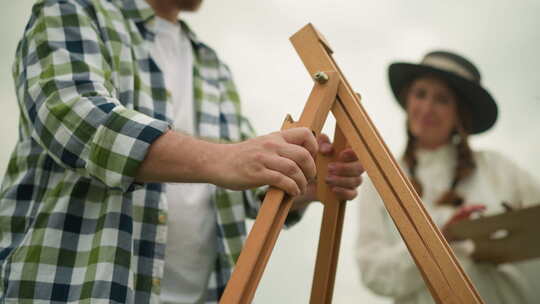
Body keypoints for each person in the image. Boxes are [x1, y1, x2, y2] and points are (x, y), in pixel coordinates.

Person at [0, 0, 364, 303]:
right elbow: (72, 117)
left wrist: (306, 182)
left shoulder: (211, 65)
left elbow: (246, 185)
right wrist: (225, 158)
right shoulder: (74, 11)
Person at [355, 50, 540, 304]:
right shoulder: (381, 181)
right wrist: (440, 240)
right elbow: (372, 272)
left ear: (459, 114)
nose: (427, 108)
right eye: (420, 94)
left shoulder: (498, 169)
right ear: (408, 100)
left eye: (442, 99)